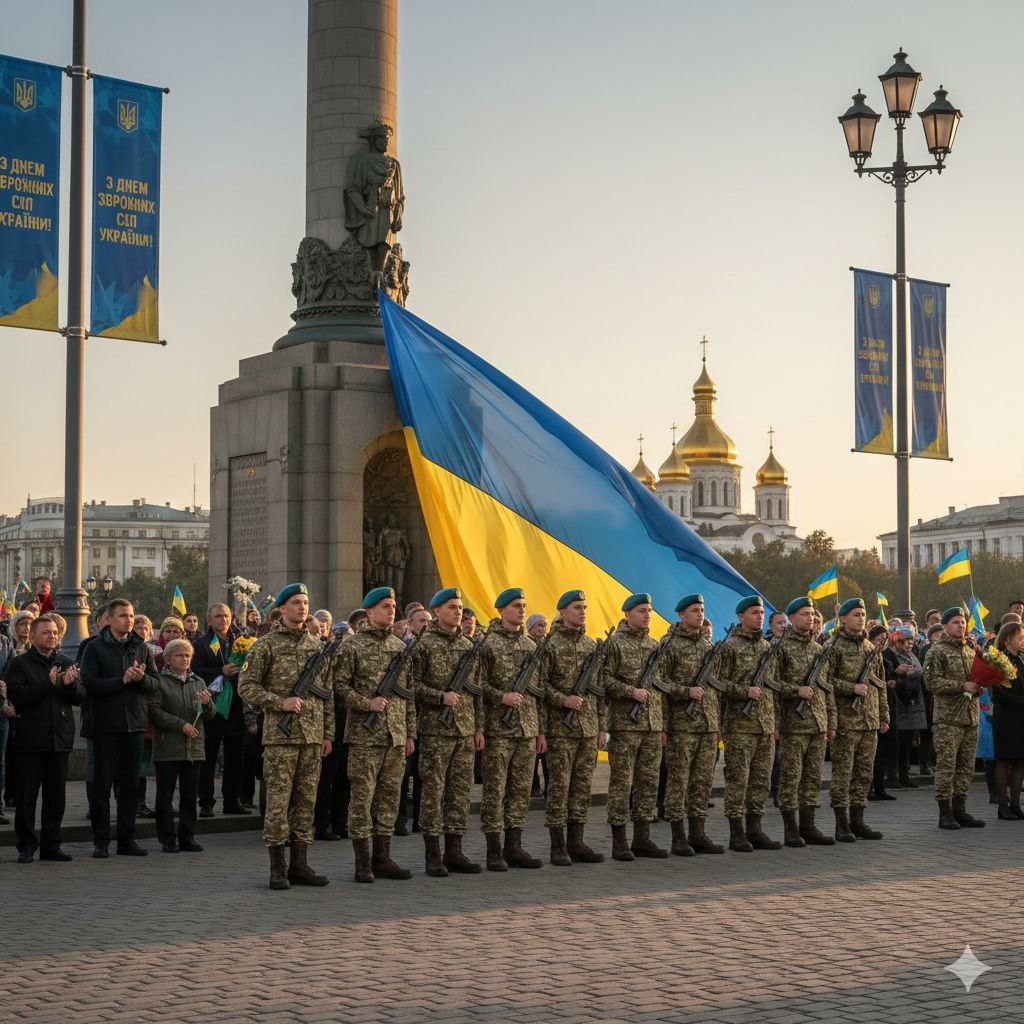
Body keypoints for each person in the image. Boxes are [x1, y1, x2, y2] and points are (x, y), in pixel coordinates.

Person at [238, 583, 334, 888]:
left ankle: (300, 864)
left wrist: (327, 734)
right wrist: (280, 703)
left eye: (305, 602)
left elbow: (326, 696)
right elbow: (246, 687)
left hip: (312, 737)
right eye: (296, 602)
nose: (302, 607)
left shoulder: (316, 648)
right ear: (282, 608)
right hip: (281, 739)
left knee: (306, 802)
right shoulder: (265, 645)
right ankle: (277, 868)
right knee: (278, 804)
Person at [332, 586, 415, 883]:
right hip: (365, 737)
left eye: (392, 605)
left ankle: (383, 857)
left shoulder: (399, 647)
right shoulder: (352, 646)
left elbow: (408, 695)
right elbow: (339, 688)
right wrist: (366, 703)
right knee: (362, 799)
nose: (390, 610)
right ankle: (362, 861)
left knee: (390, 799)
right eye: (384, 606)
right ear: (368, 612)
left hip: (394, 736)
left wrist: (409, 733)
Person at [411, 587, 484, 876]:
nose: (458, 612)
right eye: (452, 607)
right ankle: (433, 854)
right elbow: (411, 687)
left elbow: (476, 691)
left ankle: (455, 851)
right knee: (433, 792)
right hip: (435, 730)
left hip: (464, 730)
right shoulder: (423, 645)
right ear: (437, 611)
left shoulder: (468, 646)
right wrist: (439, 697)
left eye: (460, 607)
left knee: (460, 793)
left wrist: (478, 728)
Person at [80, 598, 159, 857]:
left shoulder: (141, 647)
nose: (129, 620)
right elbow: (89, 683)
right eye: (123, 615)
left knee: (129, 787)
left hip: (134, 725)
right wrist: (121, 680)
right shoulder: (94, 648)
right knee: (102, 787)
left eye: (131, 615)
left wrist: (141, 679)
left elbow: (156, 684)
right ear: (109, 618)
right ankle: (101, 841)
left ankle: (127, 840)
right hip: (105, 725)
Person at [477, 587, 546, 870]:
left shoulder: (531, 646)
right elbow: (477, 688)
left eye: (524, 606)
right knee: (495, 790)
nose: (521, 610)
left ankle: (514, 846)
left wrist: (541, 731)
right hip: (498, 730)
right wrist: (500, 697)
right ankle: (493, 850)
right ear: (502, 610)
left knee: (520, 791)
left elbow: (538, 693)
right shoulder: (487, 645)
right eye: (516, 606)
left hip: (527, 730)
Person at [536, 590, 606, 865]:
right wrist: (563, 699)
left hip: (588, 729)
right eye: (577, 607)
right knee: (559, 787)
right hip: (559, 729)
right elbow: (539, 688)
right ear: (563, 611)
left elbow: (598, 690)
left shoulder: (591, 646)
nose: (582, 611)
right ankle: (558, 845)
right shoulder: (549, 645)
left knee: (581, 787)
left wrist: (601, 726)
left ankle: (577, 842)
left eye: (585, 607)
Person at [6, 615, 84, 862]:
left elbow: (80, 696)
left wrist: (69, 685)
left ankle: (52, 845)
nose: (52, 636)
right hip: (30, 740)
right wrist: (48, 685)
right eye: (46, 632)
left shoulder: (65, 661)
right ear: (33, 635)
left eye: (54, 632)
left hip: (58, 739)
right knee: (27, 797)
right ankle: (27, 845)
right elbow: (18, 696)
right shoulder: (20, 664)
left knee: (56, 798)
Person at [713, 595, 781, 853]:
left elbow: (771, 687)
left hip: (764, 725)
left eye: (762, 613)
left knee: (761, 781)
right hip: (739, 725)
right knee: (738, 780)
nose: (759, 617)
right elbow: (717, 684)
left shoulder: (766, 647)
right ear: (741, 617)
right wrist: (744, 692)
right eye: (754, 613)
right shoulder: (729, 647)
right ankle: (736, 833)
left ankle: (756, 829)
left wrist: (774, 721)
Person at [602, 593, 666, 861]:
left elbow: (659, 687)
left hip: (651, 726)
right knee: (622, 783)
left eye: (649, 611)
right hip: (625, 726)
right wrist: (631, 692)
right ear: (627, 614)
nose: (647, 615)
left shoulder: (654, 645)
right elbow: (604, 680)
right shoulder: (615, 644)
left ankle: (643, 838)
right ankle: (619, 842)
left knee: (648, 783)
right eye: (642, 611)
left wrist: (662, 724)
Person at [659, 594, 724, 856]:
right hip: (681, 725)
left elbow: (715, 688)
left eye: (702, 610)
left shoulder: (708, 646)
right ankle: (678, 837)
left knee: (702, 782)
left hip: (707, 725)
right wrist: (686, 693)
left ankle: (699, 834)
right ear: (681, 615)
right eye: (695, 610)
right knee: (679, 781)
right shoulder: (668, 645)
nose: (700, 614)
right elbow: (660, 684)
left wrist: (716, 720)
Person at [822, 598, 889, 842]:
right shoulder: (832, 645)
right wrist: (851, 688)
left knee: (864, 773)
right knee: (843, 774)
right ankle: (841, 825)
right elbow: (825, 682)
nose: (861, 618)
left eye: (863, 614)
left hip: (868, 720)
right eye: (855, 614)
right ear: (843, 618)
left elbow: (880, 684)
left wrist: (883, 714)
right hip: (846, 720)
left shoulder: (871, 647)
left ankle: (858, 821)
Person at [774, 597, 835, 847]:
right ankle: (790, 829)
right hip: (793, 723)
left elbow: (826, 688)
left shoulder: (818, 650)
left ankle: (808, 825)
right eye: (804, 614)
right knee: (791, 777)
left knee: (812, 778)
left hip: (817, 722)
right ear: (792, 618)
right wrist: (795, 691)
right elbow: (772, 685)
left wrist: (831, 720)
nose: (810, 618)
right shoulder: (779, 648)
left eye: (812, 614)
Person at [148, 638, 215, 853]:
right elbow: (155, 712)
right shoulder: (159, 681)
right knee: (165, 796)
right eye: (179, 655)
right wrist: (181, 725)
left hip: (193, 748)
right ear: (168, 659)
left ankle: (188, 837)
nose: (184, 659)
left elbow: (210, 715)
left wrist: (208, 704)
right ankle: (167, 839)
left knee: (189, 796)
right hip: (168, 747)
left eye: (187, 655)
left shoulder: (199, 681)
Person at [924, 607, 985, 830]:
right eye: (956, 622)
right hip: (948, 720)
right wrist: (962, 686)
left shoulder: (970, 650)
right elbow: (931, 682)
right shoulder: (936, 651)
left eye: (963, 622)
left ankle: (960, 809)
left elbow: (976, 677)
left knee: (965, 767)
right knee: (946, 767)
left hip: (970, 717)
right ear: (946, 626)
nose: (961, 625)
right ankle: (945, 813)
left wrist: (978, 687)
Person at [192, 603, 248, 816]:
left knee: (235, 756)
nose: (223, 620)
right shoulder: (202, 643)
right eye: (218, 616)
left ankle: (232, 800)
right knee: (209, 756)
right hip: (212, 706)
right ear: (209, 620)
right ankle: (205, 802)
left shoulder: (240, 642)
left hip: (235, 704)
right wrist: (220, 670)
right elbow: (196, 671)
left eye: (226, 616)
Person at [886, 625, 928, 789]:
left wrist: (914, 673)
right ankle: (892, 775)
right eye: (905, 642)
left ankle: (904, 775)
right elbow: (888, 675)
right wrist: (899, 672)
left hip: (913, 702)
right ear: (897, 642)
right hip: (898, 703)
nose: (909, 645)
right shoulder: (889, 655)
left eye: (911, 641)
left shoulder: (912, 656)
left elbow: (921, 671)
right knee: (897, 743)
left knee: (908, 743)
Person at [992, 622, 1024, 819]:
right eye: (1020, 637)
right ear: (1007, 639)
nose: (1023, 641)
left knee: (1020, 760)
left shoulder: (1020, 660)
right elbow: (999, 692)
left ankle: (1015, 804)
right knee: (1005, 759)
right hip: (1006, 716)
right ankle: (1002, 805)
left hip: (1020, 716)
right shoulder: (999, 659)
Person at [869, 624, 899, 802]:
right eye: (879, 638)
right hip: (873, 706)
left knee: (886, 750)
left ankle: (881, 787)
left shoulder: (888, 655)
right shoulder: (870, 654)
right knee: (874, 752)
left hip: (888, 704)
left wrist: (895, 680)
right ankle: (869, 788)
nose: (882, 642)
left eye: (884, 638)